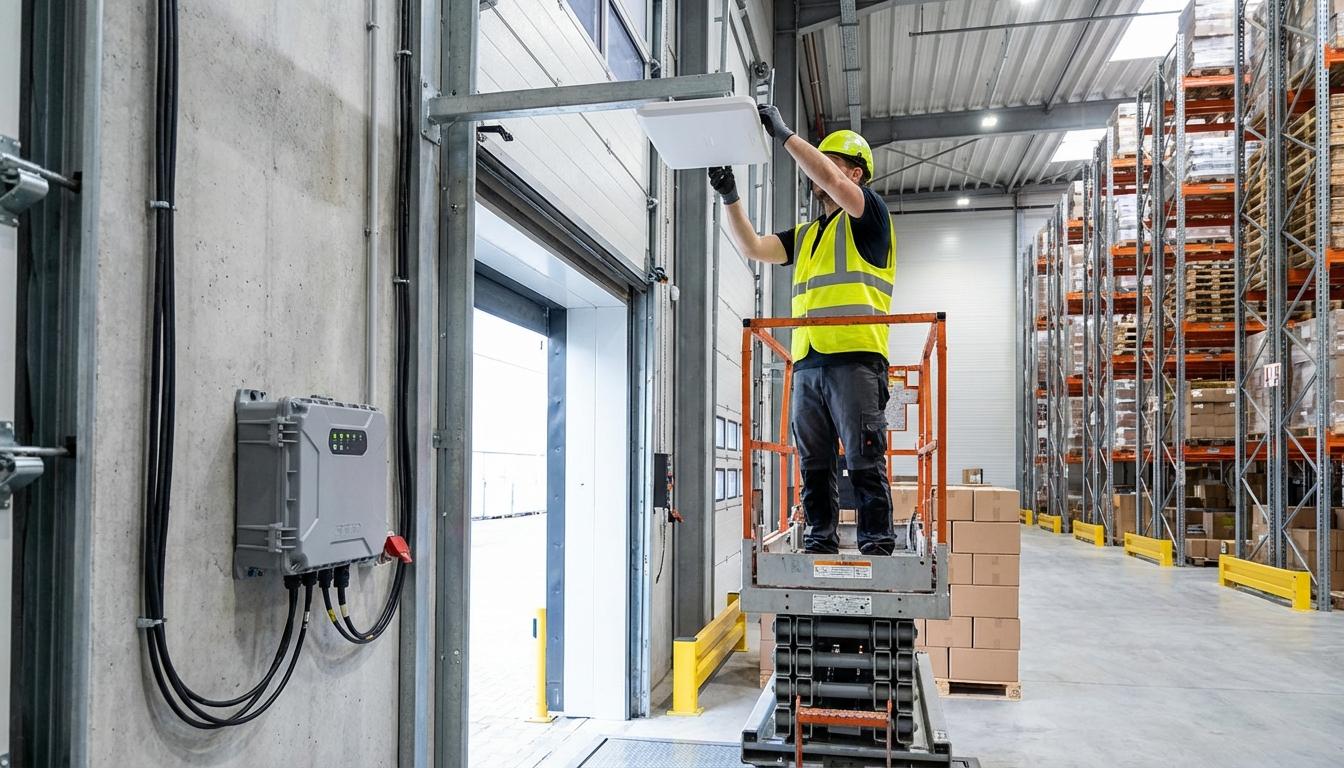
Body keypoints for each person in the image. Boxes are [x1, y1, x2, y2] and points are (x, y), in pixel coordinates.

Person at [709, 105, 896, 556]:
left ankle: (876, 543)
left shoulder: (869, 217)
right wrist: (730, 195)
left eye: (831, 164)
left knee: (863, 459)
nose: (821, 175)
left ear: (856, 172)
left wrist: (787, 135)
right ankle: (819, 539)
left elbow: (834, 183)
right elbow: (753, 247)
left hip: (855, 359)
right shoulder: (809, 234)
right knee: (814, 462)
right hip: (809, 363)